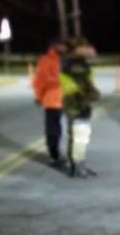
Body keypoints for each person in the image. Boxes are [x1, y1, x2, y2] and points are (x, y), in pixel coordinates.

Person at [60, 37, 100, 178]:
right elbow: (70, 84)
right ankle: (77, 167)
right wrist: (84, 95)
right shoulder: (73, 64)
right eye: (84, 46)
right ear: (77, 48)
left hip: (81, 103)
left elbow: (86, 83)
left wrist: (92, 93)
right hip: (76, 104)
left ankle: (79, 165)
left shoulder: (79, 63)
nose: (88, 49)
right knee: (79, 136)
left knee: (81, 136)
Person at [32, 39, 66, 167]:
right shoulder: (46, 60)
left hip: (61, 99)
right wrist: (39, 96)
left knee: (58, 127)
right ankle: (54, 154)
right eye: (61, 46)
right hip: (52, 99)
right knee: (53, 129)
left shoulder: (59, 60)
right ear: (53, 46)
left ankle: (56, 151)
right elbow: (43, 80)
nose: (63, 48)